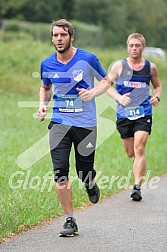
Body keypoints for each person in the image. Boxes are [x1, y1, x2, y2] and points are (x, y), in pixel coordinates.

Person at [37, 19, 107, 237]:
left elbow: (106, 81)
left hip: (85, 124)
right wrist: (43, 105)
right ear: (52, 38)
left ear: (71, 37)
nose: (59, 39)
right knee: (60, 172)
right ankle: (70, 220)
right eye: (55, 35)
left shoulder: (87, 58)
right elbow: (45, 87)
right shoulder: (47, 64)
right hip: (59, 122)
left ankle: (90, 183)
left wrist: (92, 93)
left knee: (83, 171)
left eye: (63, 35)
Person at [78, 33, 162, 201]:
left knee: (139, 148)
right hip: (123, 114)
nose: (134, 48)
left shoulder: (150, 67)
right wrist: (118, 97)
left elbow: (158, 86)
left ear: (143, 47)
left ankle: (137, 186)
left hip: (143, 112)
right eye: (131, 45)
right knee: (130, 152)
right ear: (127, 47)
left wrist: (156, 96)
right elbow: (106, 85)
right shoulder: (119, 66)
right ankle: (136, 164)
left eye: (137, 45)